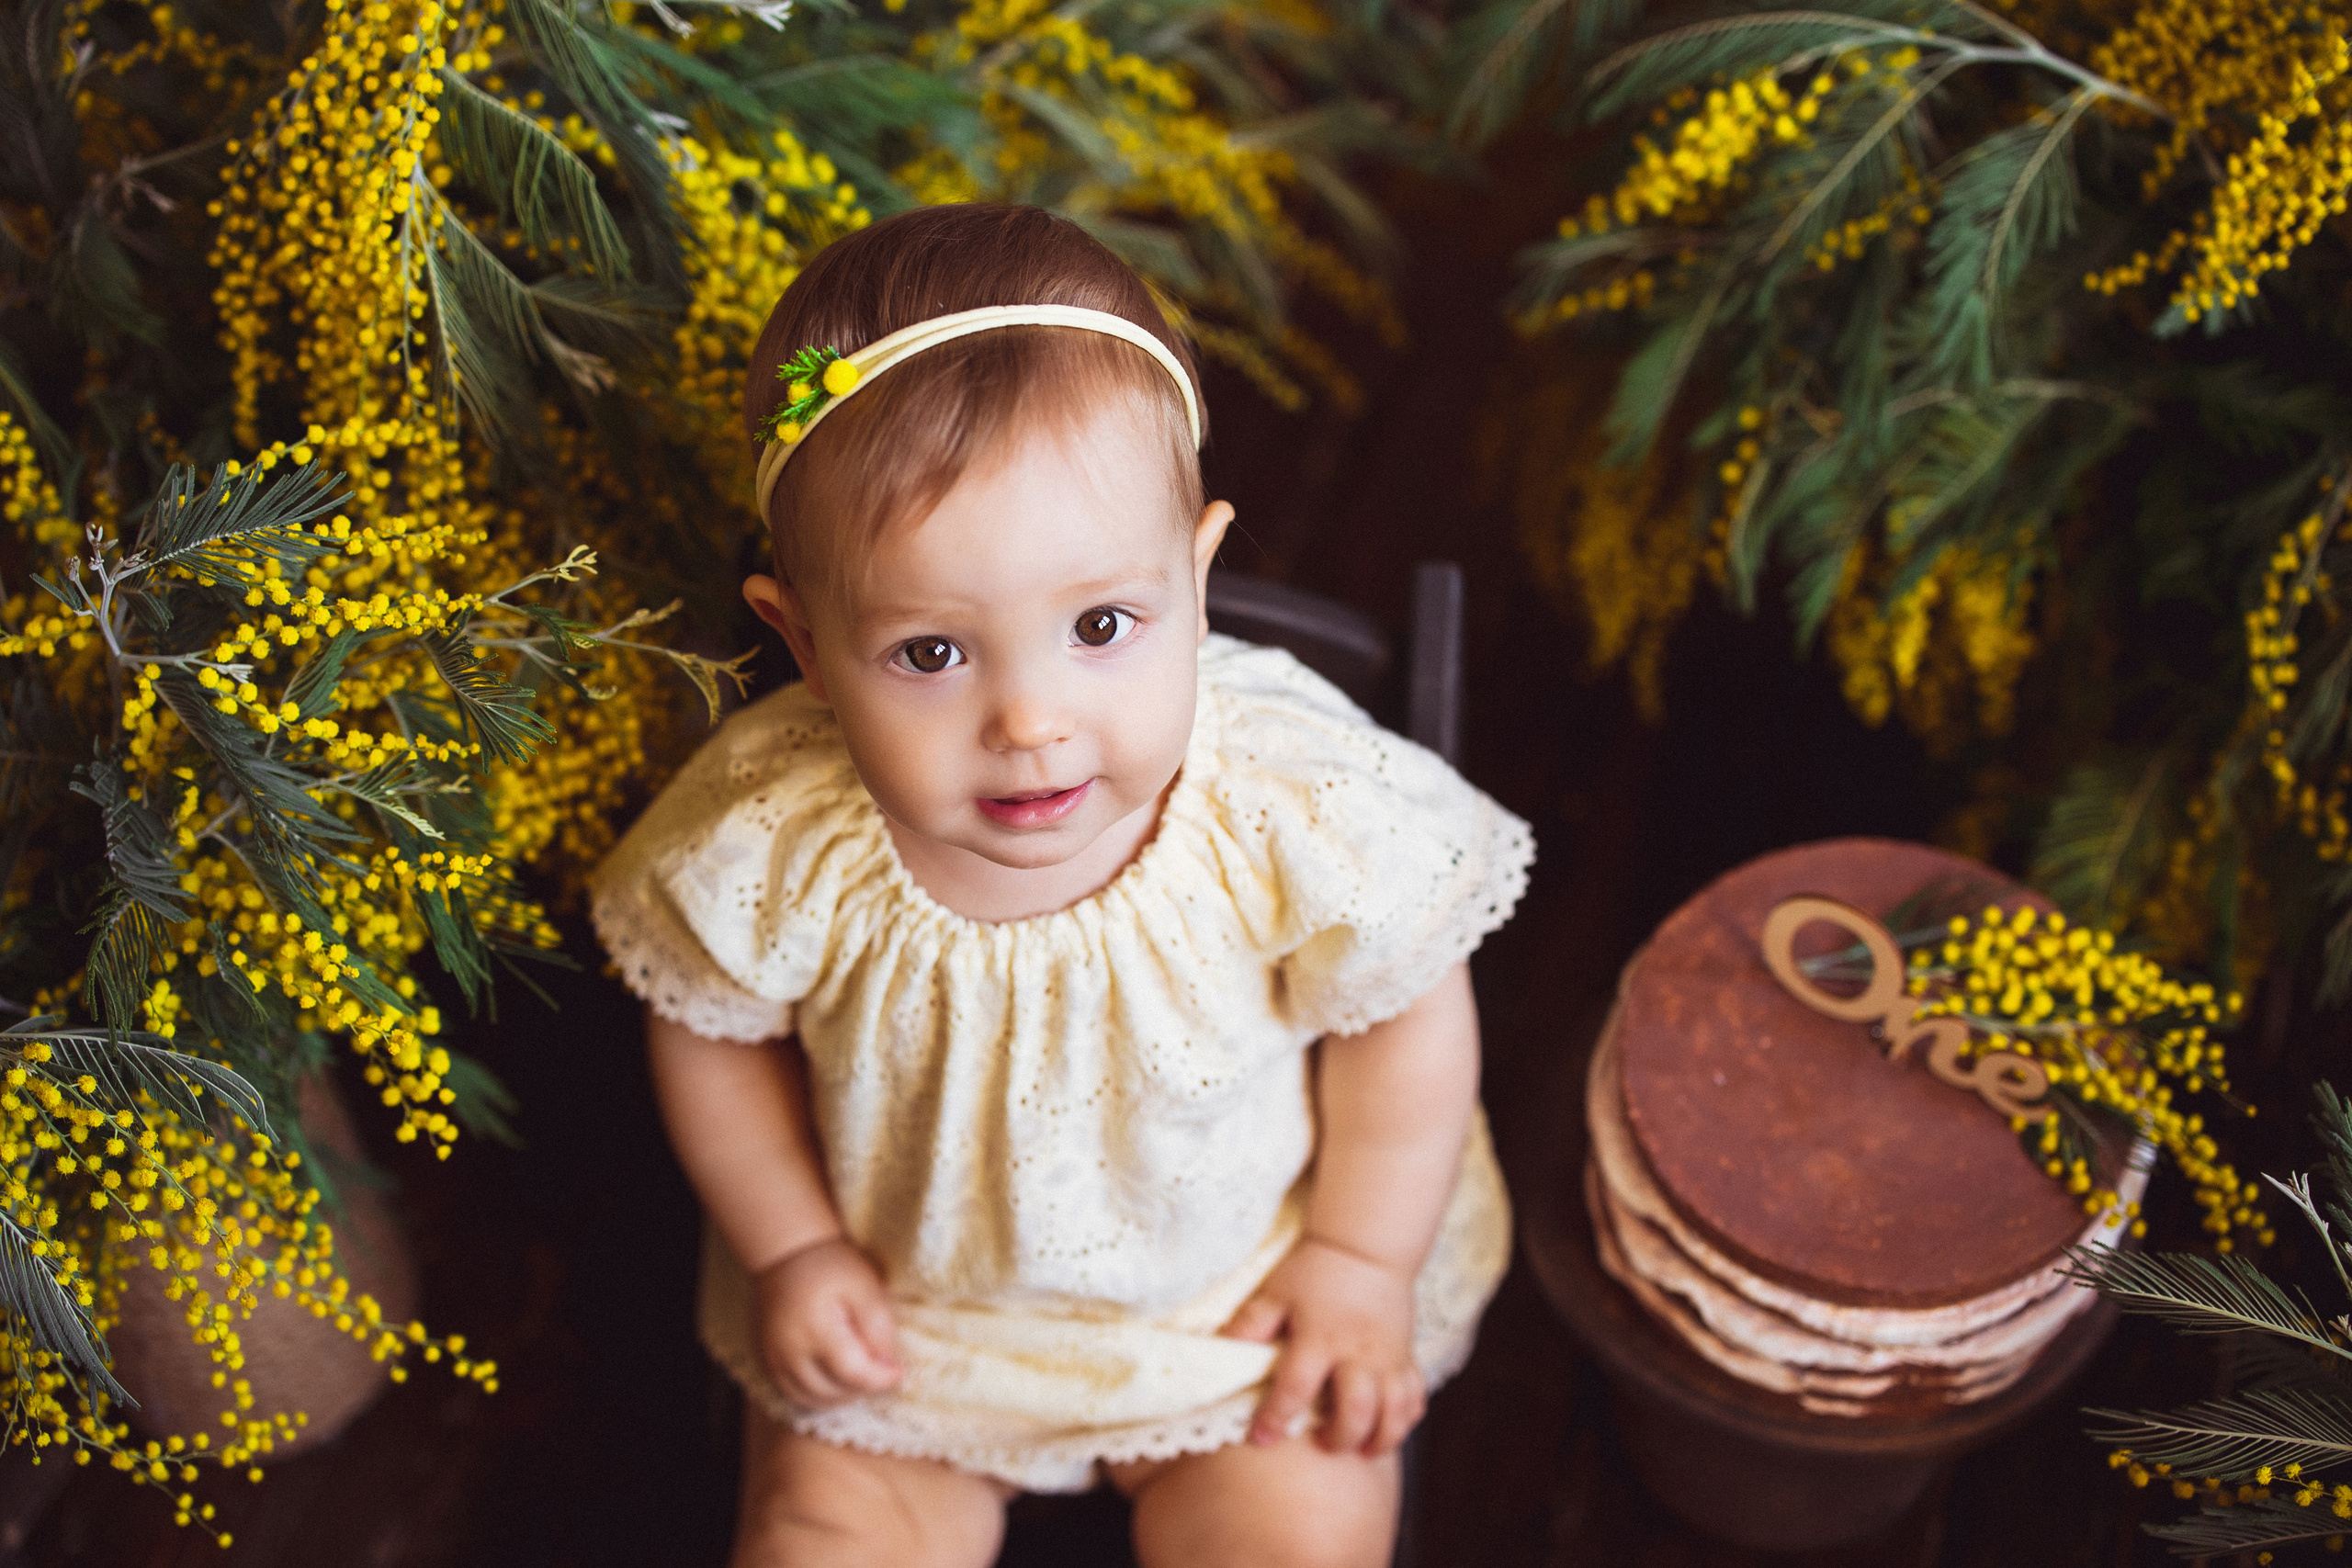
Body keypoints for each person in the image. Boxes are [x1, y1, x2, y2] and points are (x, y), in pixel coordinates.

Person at [589, 202, 1532, 1568]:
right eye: (929, 653)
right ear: (803, 642)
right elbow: (708, 1032)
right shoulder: (778, 833)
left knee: (1295, 1537)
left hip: (1240, 1304)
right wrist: (792, 1246)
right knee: (822, 1536)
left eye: (1101, 626)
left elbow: (1403, 1018)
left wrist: (1358, 1263)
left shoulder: (1282, 795)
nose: (1029, 719)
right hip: (918, 1319)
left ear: (1197, 585)